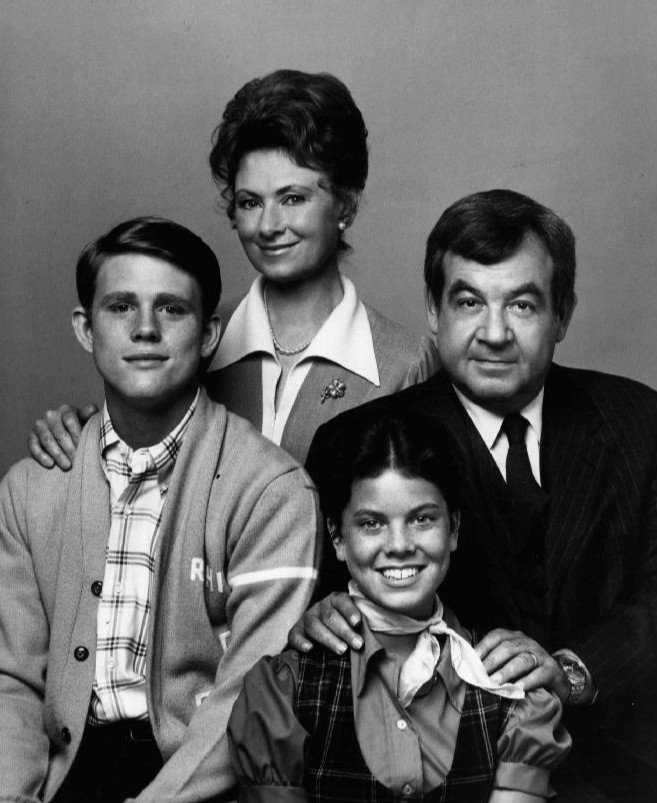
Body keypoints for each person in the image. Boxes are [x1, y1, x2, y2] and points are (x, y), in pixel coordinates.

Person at [292, 189, 657, 801]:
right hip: (446, 776)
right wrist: (323, 614)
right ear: (434, 312)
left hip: (623, 766)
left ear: (562, 313)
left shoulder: (638, 420)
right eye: (468, 302)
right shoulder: (354, 444)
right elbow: (332, 616)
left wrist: (575, 671)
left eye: (521, 303)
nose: (494, 333)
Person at [0, 217, 319, 803]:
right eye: (121, 307)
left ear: (208, 334)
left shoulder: (271, 490)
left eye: (171, 309)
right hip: (62, 771)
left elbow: (251, 691)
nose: (145, 329)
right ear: (85, 329)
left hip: (200, 774)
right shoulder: (29, 490)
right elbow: (11, 680)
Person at [27, 69, 438, 468]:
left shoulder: (403, 364)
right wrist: (77, 431)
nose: (268, 226)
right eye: (250, 203)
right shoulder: (187, 332)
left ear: (345, 205)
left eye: (293, 198)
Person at [228, 412, 570, 802]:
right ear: (337, 537)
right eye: (371, 523)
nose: (400, 545)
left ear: (454, 527)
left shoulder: (509, 689)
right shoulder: (283, 692)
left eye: (422, 518)